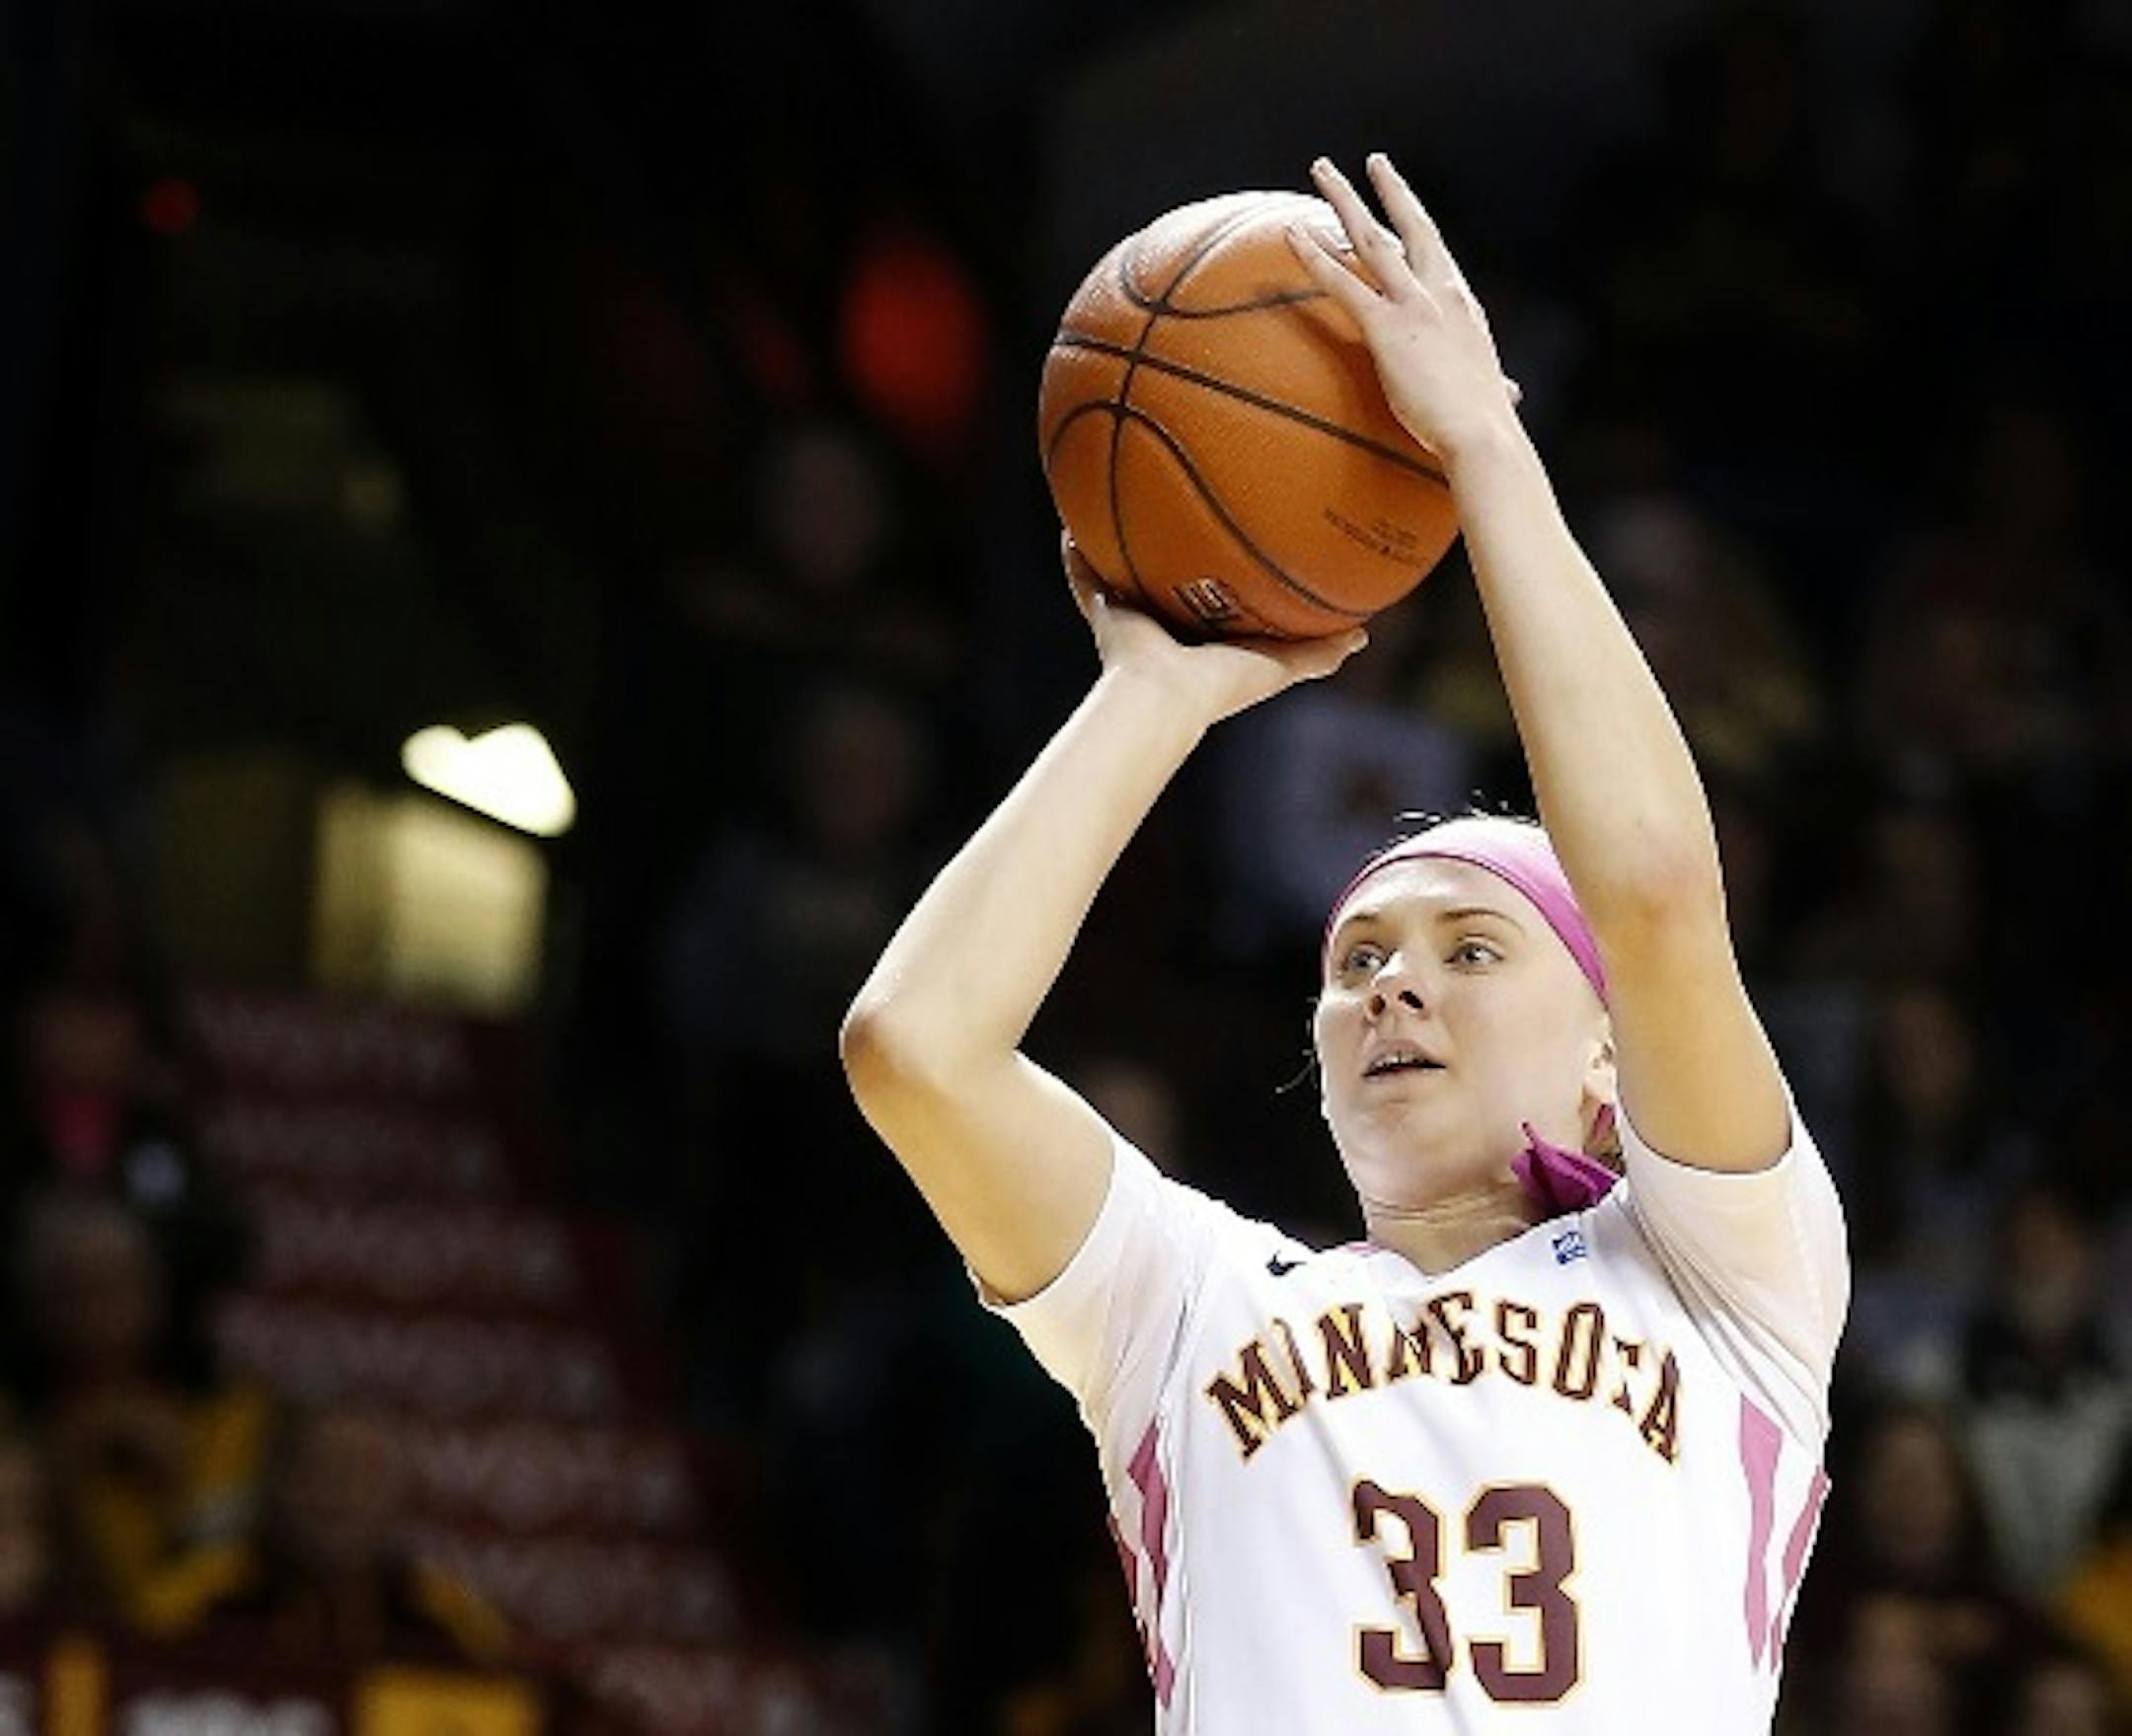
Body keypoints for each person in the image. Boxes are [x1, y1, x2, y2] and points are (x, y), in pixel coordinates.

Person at [840, 153, 1849, 1733]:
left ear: (1611, 1053)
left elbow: (1653, 887)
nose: (1393, 982)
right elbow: (916, 1049)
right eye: (1359, 957)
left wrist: (1485, 445)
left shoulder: (1722, 1276)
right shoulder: (1195, 1305)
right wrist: (1152, 696)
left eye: (1471, 949)